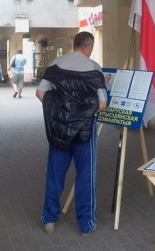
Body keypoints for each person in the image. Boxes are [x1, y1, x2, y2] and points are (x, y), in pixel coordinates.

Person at [36, 31, 107, 236]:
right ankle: (86, 224)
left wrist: (60, 114)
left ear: (74, 44)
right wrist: (82, 116)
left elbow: (40, 92)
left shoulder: (56, 64)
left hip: (59, 130)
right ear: (89, 47)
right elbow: (102, 103)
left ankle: (49, 219)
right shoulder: (94, 68)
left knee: (55, 175)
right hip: (85, 132)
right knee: (86, 176)